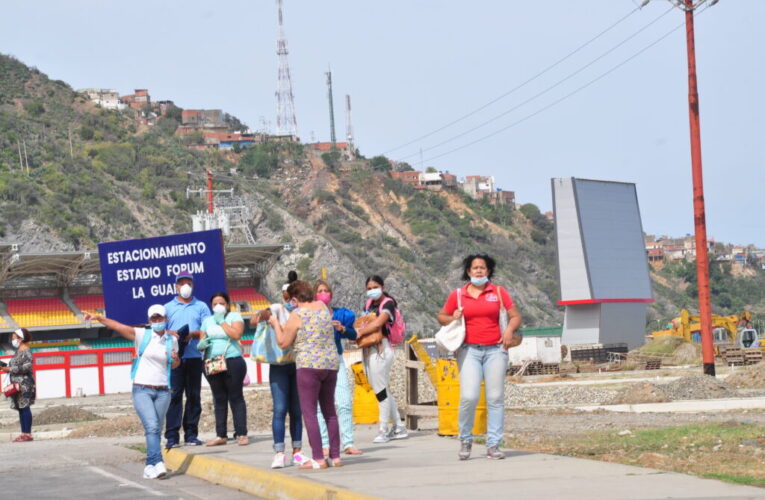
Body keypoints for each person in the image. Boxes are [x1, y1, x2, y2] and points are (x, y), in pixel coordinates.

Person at [437, 253, 522, 461]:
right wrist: (453, 316)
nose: (478, 271)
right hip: (468, 351)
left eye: (482, 268)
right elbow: (441, 316)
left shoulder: (499, 292)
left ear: (489, 271)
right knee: (469, 396)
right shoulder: (457, 295)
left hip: (495, 350)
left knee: (495, 398)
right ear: (468, 272)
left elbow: (515, 316)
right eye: (474, 268)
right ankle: (466, 439)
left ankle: (493, 444)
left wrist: (509, 330)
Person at [84, 305, 180, 479]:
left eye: (160, 318)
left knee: (156, 430)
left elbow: (174, 364)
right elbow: (119, 326)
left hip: (163, 390)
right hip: (142, 388)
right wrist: (98, 318)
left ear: (166, 319)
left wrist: (176, 359)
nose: (157, 321)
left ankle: (149, 466)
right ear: (150, 321)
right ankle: (158, 462)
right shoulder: (143, 335)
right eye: (154, 319)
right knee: (151, 426)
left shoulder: (172, 341)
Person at [269, 279, 341, 470]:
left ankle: (318, 458)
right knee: (330, 412)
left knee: (309, 413)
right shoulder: (323, 307)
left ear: (294, 299)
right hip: (331, 364)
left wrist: (275, 323)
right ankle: (336, 456)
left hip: (309, 365)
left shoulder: (297, 314)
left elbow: (284, 343)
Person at [256, 270, 307, 469]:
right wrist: (263, 316)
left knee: (296, 410)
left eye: (292, 298)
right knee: (279, 409)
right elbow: (262, 315)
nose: (289, 301)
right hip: (279, 366)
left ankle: (297, 451)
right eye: (286, 297)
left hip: (296, 364)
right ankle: (279, 452)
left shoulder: (300, 311)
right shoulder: (278, 308)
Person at [354, 275, 408, 444]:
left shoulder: (388, 303)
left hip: (382, 349)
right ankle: (399, 426)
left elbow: (378, 324)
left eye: (375, 287)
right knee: (381, 388)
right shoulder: (369, 305)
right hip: (368, 349)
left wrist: (359, 333)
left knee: (380, 391)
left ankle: (383, 429)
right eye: (369, 288)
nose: (372, 291)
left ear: (382, 287)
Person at [314, 279, 363, 456]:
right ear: (314, 295)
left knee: (344, 402)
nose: (323, 293)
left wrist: (343, 330)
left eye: (326, 290)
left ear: (331, 294)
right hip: (318, 362)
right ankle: (325, 443)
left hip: (337, 359)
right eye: (320, 290)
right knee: (320, 406)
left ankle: (348, 442)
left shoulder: (341, 314)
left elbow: (353, 334)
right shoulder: (310, 315)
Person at [164, 270, 211, 448]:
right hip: (175, 359)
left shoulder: (201, 306)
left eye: (188, 283)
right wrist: (174, 334)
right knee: (174, 397)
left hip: (194, 357)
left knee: (194, 396)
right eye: (181, 283)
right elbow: (161, 330)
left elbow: (206, 331)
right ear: (176, 286)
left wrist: (193, 334)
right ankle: (172, 436)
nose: (185, 286)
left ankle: (191, 434)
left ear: (192, 285)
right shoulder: (168, 307)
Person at [198, 291, 248, 446]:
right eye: (215, 304)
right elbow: (201, 339)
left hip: (232, 360)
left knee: (236, 397)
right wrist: (201, 344)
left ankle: (241, 433)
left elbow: (236, 334)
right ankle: (221, 435)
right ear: (211, 306)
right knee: (219, 398)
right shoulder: (207, 321)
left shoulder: (234, 317)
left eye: (221, 303)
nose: (218, 306)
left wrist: (222, 322)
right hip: (212, 362)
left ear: (227, 304)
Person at [2, 328, 35, 442]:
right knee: (21, 408)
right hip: (17, 384)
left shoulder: (27, 351)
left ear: (21, 339)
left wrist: (10, 368)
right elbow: (15, 366)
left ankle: (28, 434)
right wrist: (6, 368)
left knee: (25, 407)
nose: (12, 340)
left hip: (24, 384)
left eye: (14, 338)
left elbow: (27, 367)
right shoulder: (18, 351)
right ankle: (23, 433)